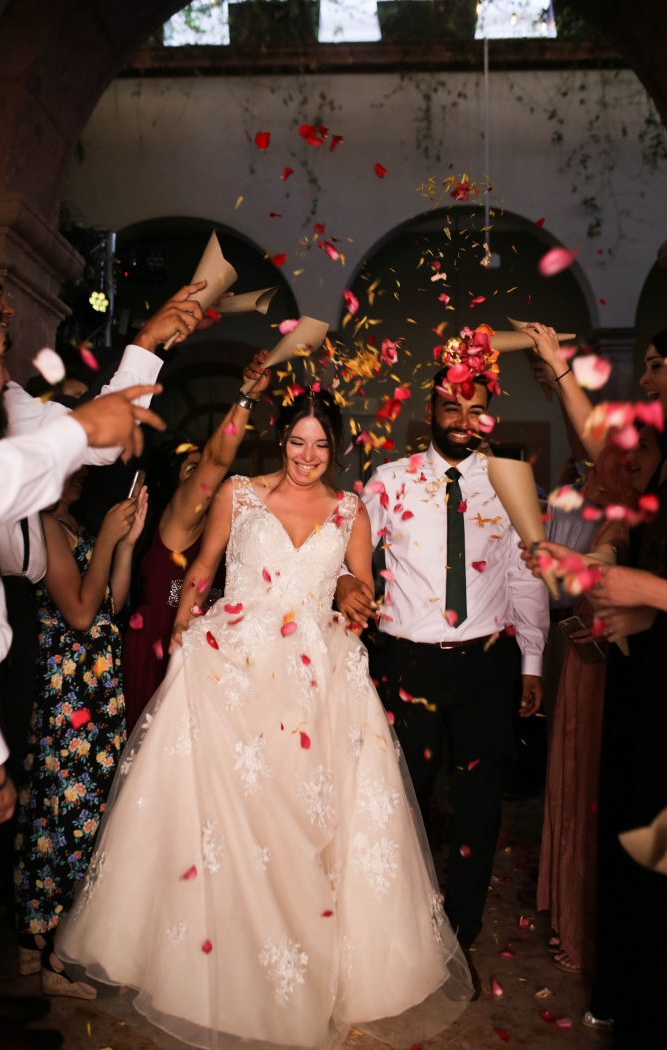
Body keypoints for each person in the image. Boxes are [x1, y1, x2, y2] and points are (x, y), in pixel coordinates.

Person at [57, 390, 472, 1049]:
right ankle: (221, 954)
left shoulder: (350, 509)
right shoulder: (240, 495)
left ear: (335, 449)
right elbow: (203, 567)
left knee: (307, 817)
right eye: (297, 442)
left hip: (318, 675)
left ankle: (308, 957)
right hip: (234, 669)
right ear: (281, 438)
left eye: (320, 446)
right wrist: (185, 624)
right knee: (230, 818)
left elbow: (352, 583)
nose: (307, 457)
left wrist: (355, 594)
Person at [0, 289, 165, 1050]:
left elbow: (81, 443)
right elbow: (50, 450)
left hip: (6, 664)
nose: (4, 367)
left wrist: (142, 349)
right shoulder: (3, 460)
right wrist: (82, 426)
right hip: (23, 674)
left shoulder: (8, 429)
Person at [336, 344, 549, 953]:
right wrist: (348, 580)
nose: (462, 419)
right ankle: (401, 925)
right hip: (407, 661)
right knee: (404, 798)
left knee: (480, 808)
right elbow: (346, 551)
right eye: (450, 407)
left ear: (490, 418)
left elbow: (523, 576)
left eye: (474, 410)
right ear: (430, 409)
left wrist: (532, 660)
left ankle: (461, 930)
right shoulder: (388, 481)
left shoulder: (511, 484)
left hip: (487, 664)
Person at [14, 469, 147, 994]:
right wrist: (111, 537)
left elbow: (111, 601)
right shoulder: (45, 524)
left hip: (93, 684)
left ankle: (49, 942)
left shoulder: (71, 522)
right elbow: (77, 611)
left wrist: (126, 544)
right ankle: (49, 949)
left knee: (83, 810)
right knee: (61, 810)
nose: (85, 469)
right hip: (68, 691)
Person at [535, 429, 661, 976]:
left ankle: (593, 930)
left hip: (630, 670)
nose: (631, 465)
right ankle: (573, 918)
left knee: (599, 788)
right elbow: (605, 553)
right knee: (577, 776)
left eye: (645, 455)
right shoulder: (620, 513)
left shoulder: (647, 514)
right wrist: (576, 562)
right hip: (587, 648)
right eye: (623, 457)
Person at [122, 350, 271, 728]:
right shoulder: (178, 521)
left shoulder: (231, 532)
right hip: (159, 651)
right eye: (191, 467)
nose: (204, 477)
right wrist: (246, 397)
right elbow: (215, 462)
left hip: (206, 659)